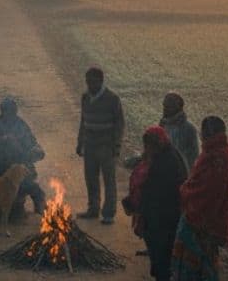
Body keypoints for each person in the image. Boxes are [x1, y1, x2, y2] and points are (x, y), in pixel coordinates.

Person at [171, 116, 228, 281]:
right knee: (201, 262)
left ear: (209, 133)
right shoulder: (220, 152)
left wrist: (185, 190)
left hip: (201, 220)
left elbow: (206, 191)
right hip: (208, 219)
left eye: (204, 131)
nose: (201, 135)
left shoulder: (216, 156)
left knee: (195, 264)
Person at [121, 125, 187, 281]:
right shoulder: (157, 155)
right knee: (157, 251)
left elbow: (153, 192)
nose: (147, 148)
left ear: (158, 143)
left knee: (161, 253)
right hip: (155, 215)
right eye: (146, 145)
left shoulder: (168, 161)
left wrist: (138, 207)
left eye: (150, 145)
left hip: (164, 216)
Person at [0, 97, 47, 219]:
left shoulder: (21, 125)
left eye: (13, 111)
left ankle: (41, 210)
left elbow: (32, 143)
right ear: (2, 111)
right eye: (8, 111)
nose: (11, 114)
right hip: (0, 170)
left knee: (33, 189)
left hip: (20, 168)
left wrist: (36, 150)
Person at [76, 66, 125, 224]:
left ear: (101, 81)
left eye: (93, 82)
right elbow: (83, 121)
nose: (90, 85)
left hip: (106, 145)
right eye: (87, 81)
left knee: (108, 180)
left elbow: (120, 124)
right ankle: (93, 209)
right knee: (90, 178)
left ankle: (109, 213)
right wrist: (80, 142)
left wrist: (116, 146)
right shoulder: (85, 97)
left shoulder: (112, 98)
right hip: (89, 144)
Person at [161, 91, 200, 173]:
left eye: (168, 106)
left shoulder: (188, 129)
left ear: (177, 108)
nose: (164, 109)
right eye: (164, 105)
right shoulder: (163, 124)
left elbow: (191, 158)